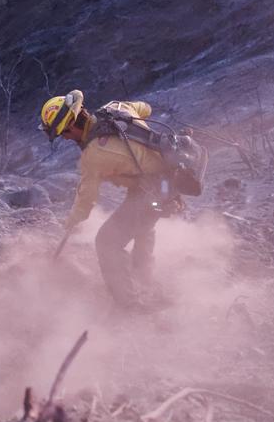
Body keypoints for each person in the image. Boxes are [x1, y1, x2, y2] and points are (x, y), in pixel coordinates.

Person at [40, 89, 176, 309]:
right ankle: (145, 282)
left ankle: (129, 306)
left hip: (152, 190)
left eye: (63, 133)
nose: (64, 138)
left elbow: (87, 196)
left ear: (72, 125)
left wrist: (73, 221)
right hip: (167, 182)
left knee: (107, 242)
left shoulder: (94, 155)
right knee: (143, 225)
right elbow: (145, 109)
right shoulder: (116, 108)